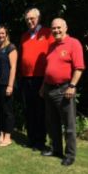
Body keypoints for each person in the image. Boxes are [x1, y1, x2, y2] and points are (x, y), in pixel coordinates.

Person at [40, 18, 85, 166]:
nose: (56, 31)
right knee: (52, 123)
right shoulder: (52, 45)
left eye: (59, 28)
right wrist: (42, 87)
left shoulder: (74, 43)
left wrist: (72, 86)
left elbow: (79, 68)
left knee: (69, 125)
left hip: (65, 89)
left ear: (65, 28)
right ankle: (56, 149)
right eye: (54, 28)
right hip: (49, 88)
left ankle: (70, 155)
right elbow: (48, 69)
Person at [20, 8, 54, 151]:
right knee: (29, 110)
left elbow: (53, 55)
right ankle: (31, 139)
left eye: (32, 18)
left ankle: (40, 141)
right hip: (25, 78)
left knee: (40, 111)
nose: (29, 21)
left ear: (38, 18)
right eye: (27, 19)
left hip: (41, 78)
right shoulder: (24, 36)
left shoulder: (47, 33)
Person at [0, 26, 17, 147]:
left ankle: (8, 136)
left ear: (6, 35)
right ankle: (1, 135)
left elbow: (13, 67)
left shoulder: (11, 48)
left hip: (6, 84)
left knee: (7, 111)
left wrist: (10, 85)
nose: (0, 35)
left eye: (2, 33)